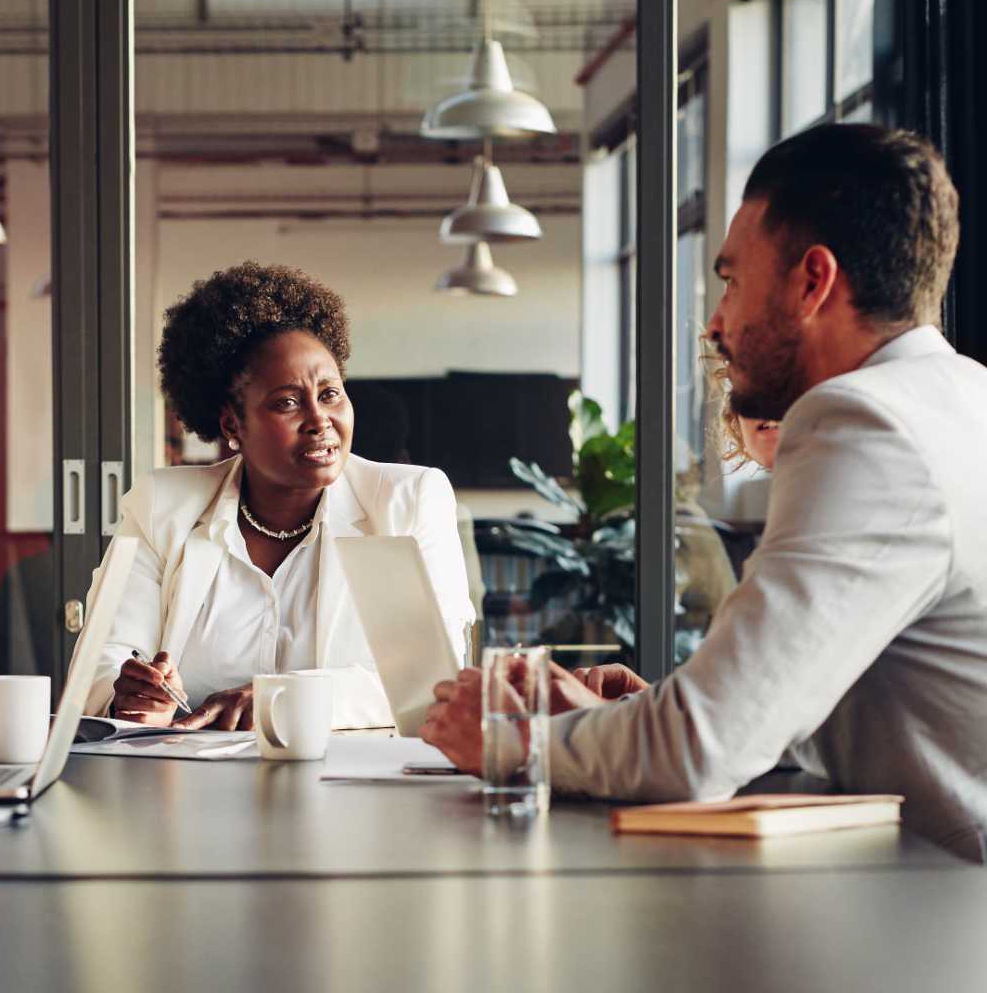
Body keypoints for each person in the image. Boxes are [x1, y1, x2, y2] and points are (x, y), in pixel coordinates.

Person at [422, 123, 987, 860]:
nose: (717, 323)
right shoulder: (961, 398)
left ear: (813, 282)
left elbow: (702, 749)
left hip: (941, 924)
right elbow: (781, 719)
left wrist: (516, 743)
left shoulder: (866, 422)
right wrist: (631, 717)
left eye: (730, 280)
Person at [84, 262, 476, 731]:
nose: (319, 420)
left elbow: (432, 683)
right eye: (287, 402)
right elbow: (101, 662)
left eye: (330, 394)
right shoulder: (163, 506)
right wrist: (132, 695)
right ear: (232, 425)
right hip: (189, 783)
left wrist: (281, 698)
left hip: (350, 787)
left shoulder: (406, 501)